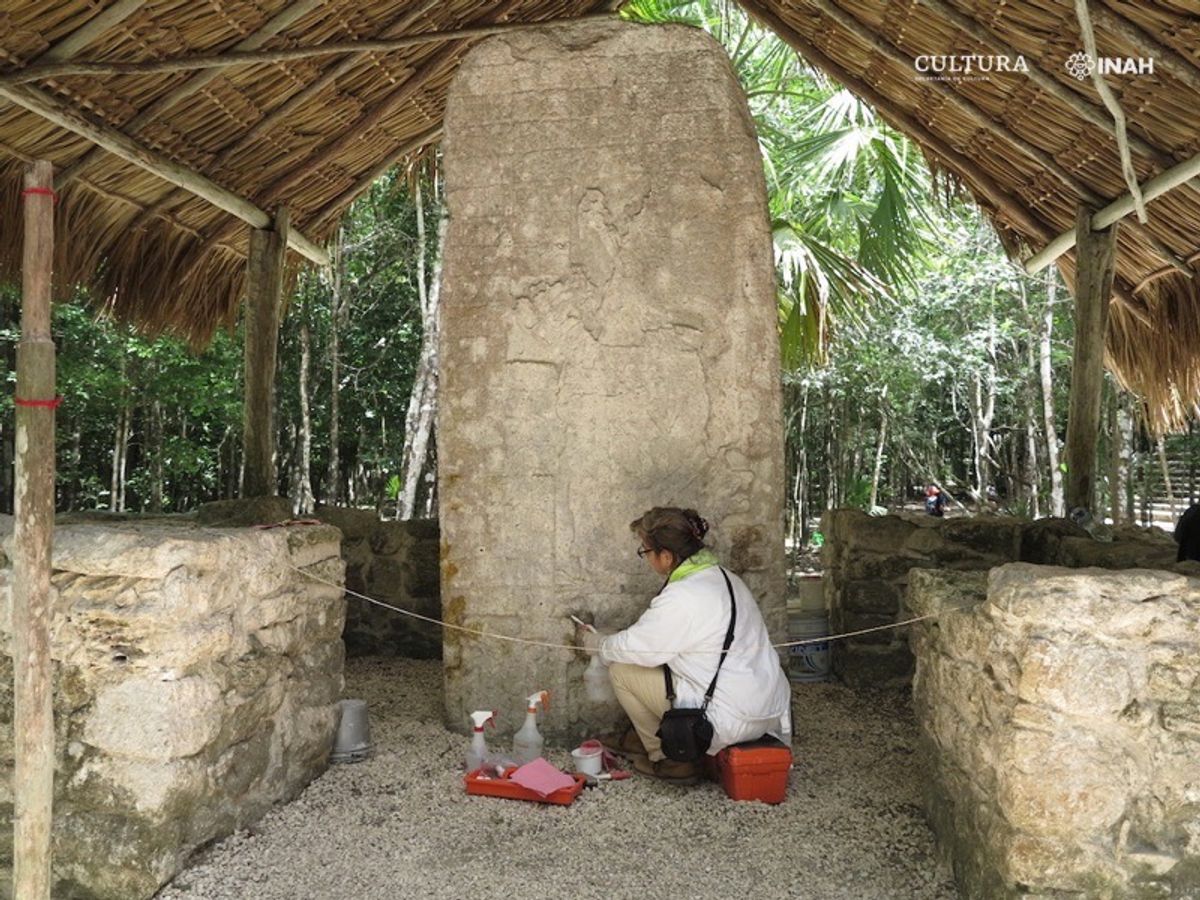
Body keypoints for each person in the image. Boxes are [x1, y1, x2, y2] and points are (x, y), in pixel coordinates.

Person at [576, 507, 790, 784]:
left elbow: (638, 649)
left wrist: (596, 644)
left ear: (666, 556)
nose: (646, 558)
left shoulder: (682, 595)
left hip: (729, 717)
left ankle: (671, 759)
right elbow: (656, 638)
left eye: (645, 551)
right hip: (767, 708)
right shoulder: (726, 578)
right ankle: (643, 739)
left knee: (622, 670)